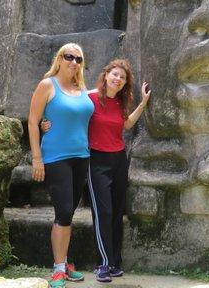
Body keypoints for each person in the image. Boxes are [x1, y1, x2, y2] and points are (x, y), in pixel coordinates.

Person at [43, 59, 151, 283]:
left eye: (122, 77)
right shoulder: (89, 97)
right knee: (103, 212)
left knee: (117, 211)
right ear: (105, 75)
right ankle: (103, 264)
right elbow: (68, 110)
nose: (118, 79)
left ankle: (115, 263)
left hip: (119, 159)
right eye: (114, 74)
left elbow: (127, 125)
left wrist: (143, 102)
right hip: (96, 160)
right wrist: (46, 122)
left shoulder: (121, 102)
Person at [28, 43, 94, 288]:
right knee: (64, 211)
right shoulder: (48, 85)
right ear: (59, 59)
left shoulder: (81, 89)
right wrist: (37, 158)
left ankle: (64, 263)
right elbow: (34, 122)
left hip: (81, 157)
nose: (74, 62)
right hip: (56, 158)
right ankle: (58, 269)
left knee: (68, 212)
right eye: (69, 57)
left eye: (79, 58)